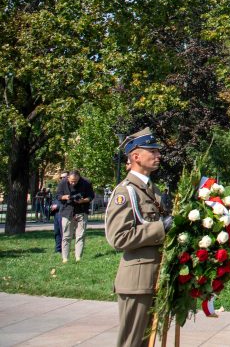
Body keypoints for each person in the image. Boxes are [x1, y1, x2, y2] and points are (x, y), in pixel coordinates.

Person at [105, 127, 173, 347]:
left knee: (147, 342)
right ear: (135, 156)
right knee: (132, 342)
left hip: (153, 277)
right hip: (136, 280)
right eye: (152, 151)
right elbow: (118, 237)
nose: (158, 155)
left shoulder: (152, 190)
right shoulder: (126, 192)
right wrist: (161, 228)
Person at [56, 169, 95, 263]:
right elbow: (57, 196)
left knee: (80, 235)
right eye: (71, 181)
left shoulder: (86, 183)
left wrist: (83, 200)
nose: (73, 183)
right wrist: (65, 197)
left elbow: (91, 197)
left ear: (79, 178)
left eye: (75, 181)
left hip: (82, 211)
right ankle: (65, 258)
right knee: (66, 236)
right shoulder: (62, 183)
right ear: (68, 177)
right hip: (67, 211)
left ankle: (78, 257)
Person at [51, 171, 67, 253]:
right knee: (57, 232)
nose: (62, 179)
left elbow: (70, 202)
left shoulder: (69, 189)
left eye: (64, 177)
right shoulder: (58, 188)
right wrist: (52, 206)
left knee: (63, 232)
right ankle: (58, 249)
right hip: (57, 213)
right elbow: (55, 199)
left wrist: (57, 206)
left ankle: (64, 249)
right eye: (61, 177)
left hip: (64, 213)